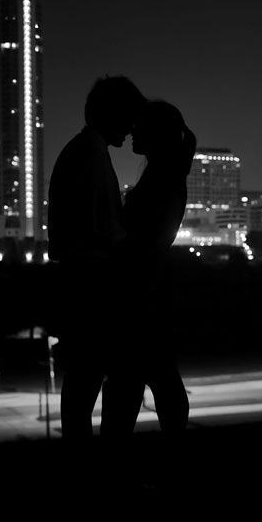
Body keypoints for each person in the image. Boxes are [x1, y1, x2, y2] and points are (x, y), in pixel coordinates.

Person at [47, 75, 146, 442]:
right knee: (106, 381)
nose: (133, 127)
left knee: (84, 383)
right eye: (129, 117)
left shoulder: (83, 150)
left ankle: (90, 470)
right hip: (93, 285)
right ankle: (101, 471)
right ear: (112, 114)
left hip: (81, 282)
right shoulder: (91, 156)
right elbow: (109, 232)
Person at [99, 100, 195, 441]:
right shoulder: (164, 175)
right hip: (149, 293)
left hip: (141, 295)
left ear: (156, 133)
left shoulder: (163, 180)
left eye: (140, 126)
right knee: (150, 379)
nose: (132, 130)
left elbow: (141, 241)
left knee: (132, 383)